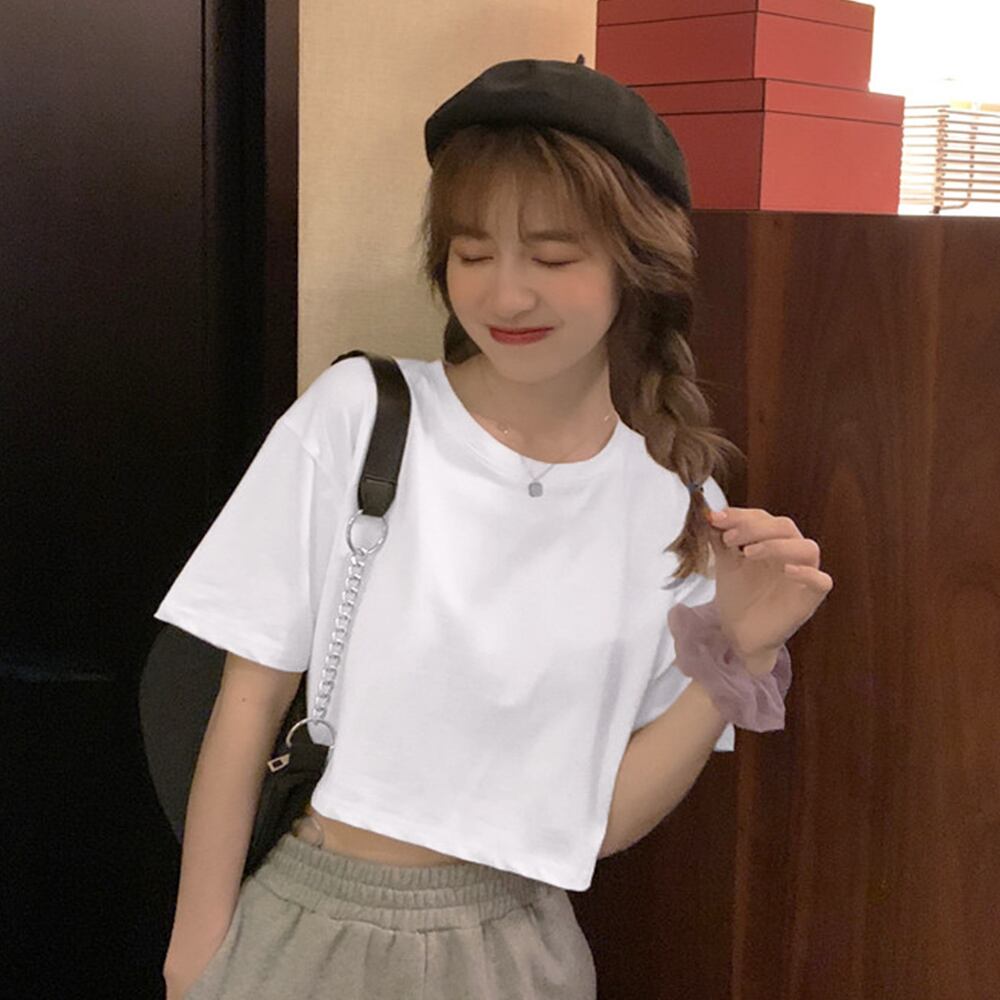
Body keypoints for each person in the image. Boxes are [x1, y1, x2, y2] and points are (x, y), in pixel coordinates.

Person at [156, 55, 832, 1000]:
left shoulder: (680, 504)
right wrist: (195, 957)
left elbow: (599, 824)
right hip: (311, 926)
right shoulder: (361, 416)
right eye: (473, 254)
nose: (506, 296)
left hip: (522, 952)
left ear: (637, 264)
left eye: (552, 258)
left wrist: (739, 654)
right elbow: (247, 702)